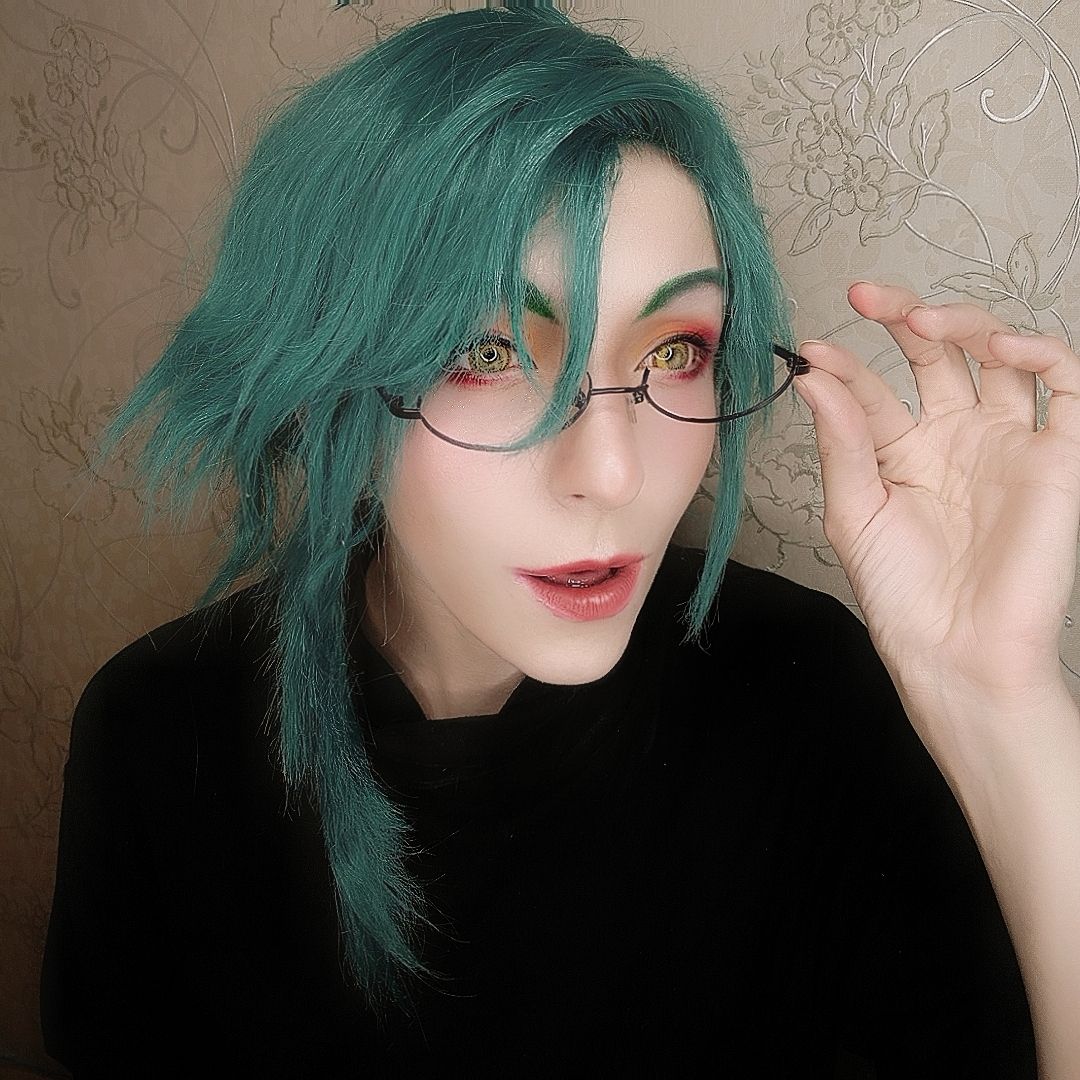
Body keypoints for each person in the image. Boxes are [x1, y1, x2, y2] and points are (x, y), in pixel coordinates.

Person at [40, 5, 1080, 1077]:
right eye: (488, 352)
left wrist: (999, 700)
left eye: (675, 349)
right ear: (316, 377)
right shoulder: (160, 730)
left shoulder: (808, 695)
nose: (614, 473)